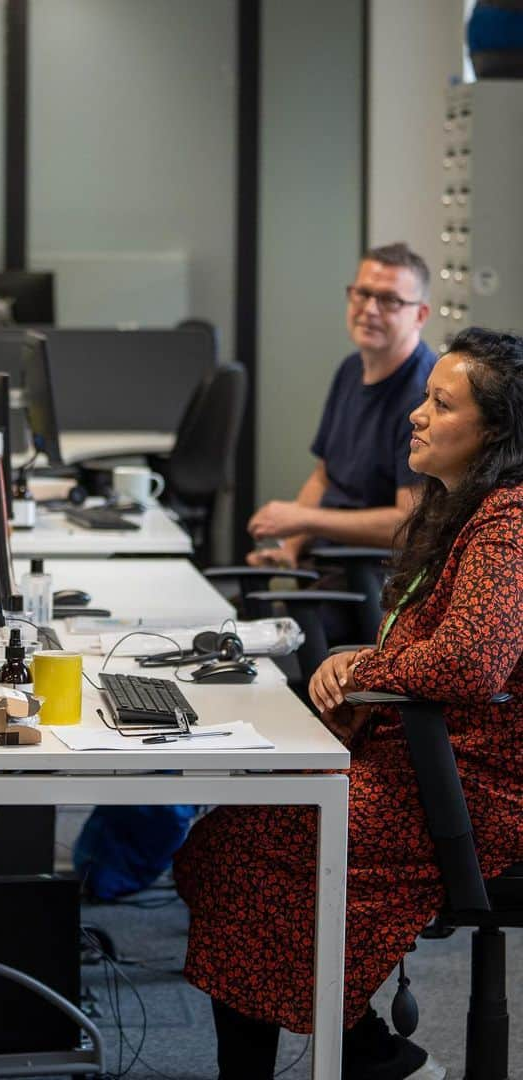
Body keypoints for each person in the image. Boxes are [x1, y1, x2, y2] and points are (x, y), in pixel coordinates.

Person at [175, 326, 523, 1079]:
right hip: (421, 765)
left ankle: (362, 1050)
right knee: (231, 843)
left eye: (441, 404)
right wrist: (363, 660)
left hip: (471, 792)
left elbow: (471, 658)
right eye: (424, 399)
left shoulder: (510, 524)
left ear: (493, 432)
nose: (417, 416)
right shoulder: (461, 510)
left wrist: (371, 661)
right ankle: (366, 1048)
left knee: (245, 847)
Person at [247, 242, 435, 567]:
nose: (370, 309)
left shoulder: (424, 393)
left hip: (371, 579)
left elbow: (409, 524)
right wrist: (289, 547)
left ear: (420, 315)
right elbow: (324, 477)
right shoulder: (351, 369)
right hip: (325, 559)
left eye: (389, 300)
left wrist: (305, 519)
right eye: (362, 293)